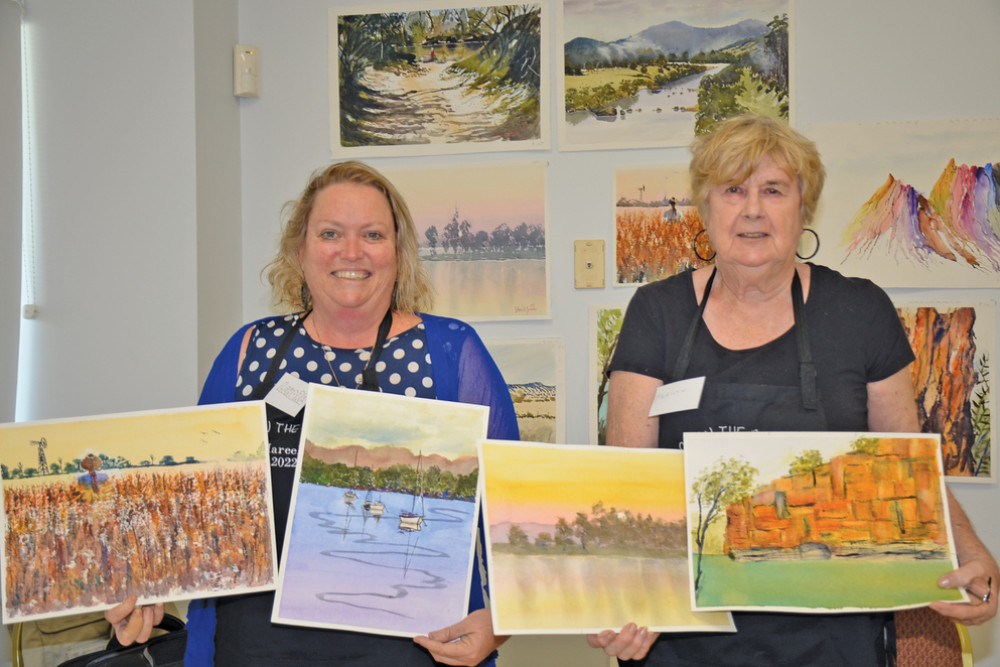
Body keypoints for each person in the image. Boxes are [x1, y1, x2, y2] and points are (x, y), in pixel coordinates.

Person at [590, 115, 998, 665]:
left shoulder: (859, 311)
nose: (752, 209)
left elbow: (912, 468)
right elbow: (626, 483)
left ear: (803, 208)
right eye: (733, 190)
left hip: (835, 637)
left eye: (773, 190)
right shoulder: (656, 313)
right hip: (684, 637)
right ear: (705, 209)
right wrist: (614, 598)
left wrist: (973, 555)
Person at [105, 160, 518, 666]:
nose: (351, 251)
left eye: (372, 234)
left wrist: (499, 623)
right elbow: (190, 506)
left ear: (398, 252)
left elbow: (511, 514)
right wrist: (145, 586)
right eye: (330, 234)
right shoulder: (249, 351)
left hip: (415, 650)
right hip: (255, 649)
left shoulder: (452, 353)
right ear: (299, 251)